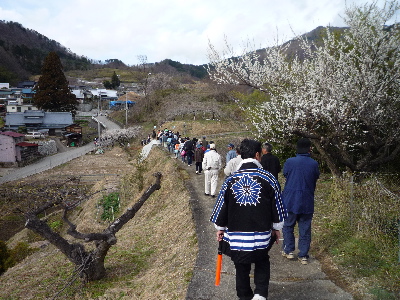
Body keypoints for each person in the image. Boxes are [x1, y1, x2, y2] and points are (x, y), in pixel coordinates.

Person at [210, 139, 287, 300]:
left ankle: (244, 295)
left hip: (237, 237)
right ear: (257, 155)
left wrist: (220, 228)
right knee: (262, 260)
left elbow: (221, 208)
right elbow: (277, 208)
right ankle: (260, 294)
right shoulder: (269, 179)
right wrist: (276, 227)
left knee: (241, 265)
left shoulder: (230, 180)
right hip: (261, 235)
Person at [281, 138, 320, 265]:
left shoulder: (290, 162)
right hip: (307, 199)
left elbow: (285, 174)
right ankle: (303, 255)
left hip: (290, 199)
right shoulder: (314, 163)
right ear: (309, 149)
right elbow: (315, 177)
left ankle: (289, 250)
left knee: (288, 225)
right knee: (305, 228)